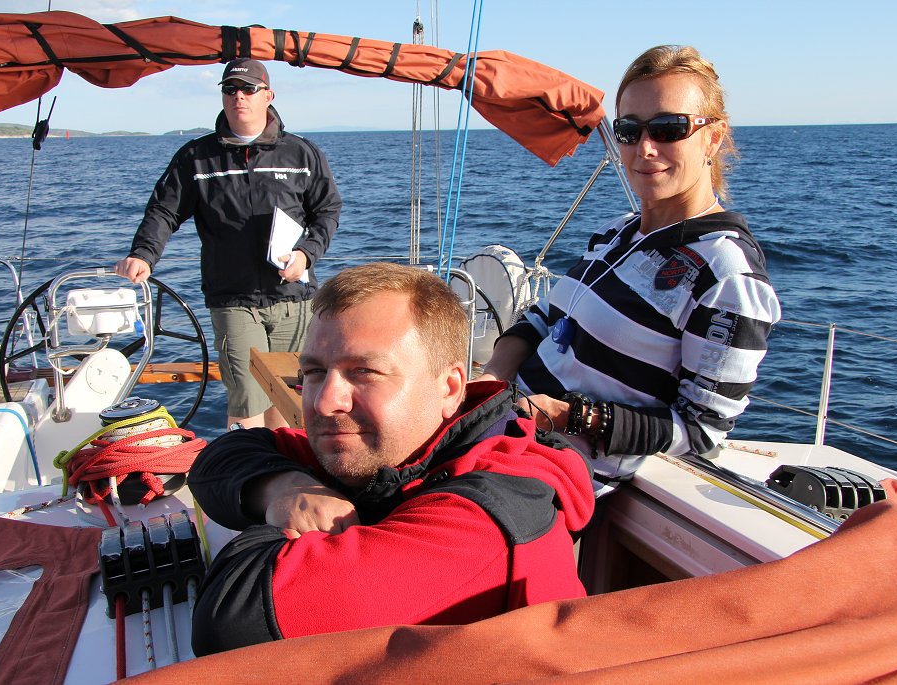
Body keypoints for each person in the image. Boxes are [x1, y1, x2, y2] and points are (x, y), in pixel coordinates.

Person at [187, 262, 594, 655]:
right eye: (313, 373)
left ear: (450, 389)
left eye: (364, 372)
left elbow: (233, 621)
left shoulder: (488, 517)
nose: (326, 402)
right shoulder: (398, 446)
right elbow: (224, 455)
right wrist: (283, 488)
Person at [478, 45, 781, 485]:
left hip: (553, 474)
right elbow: (546, 316)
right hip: (499, 431)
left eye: (669, 128)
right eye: (629, 130)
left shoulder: (727, 274)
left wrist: (567, 415)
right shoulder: (618, 232)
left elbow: (701, 431)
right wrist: (491, 376)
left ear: (713, 138)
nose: (646, 148)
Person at [115, 58, 341, 430]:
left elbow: (327, 209)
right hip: (232, 298)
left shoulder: (302, 154)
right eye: (231, 89)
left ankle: (281, 464)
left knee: (289, 399)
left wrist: (307, 253)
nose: (239, 97)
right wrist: (144, 254)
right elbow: (164, 211)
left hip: (293, 296)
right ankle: (244, 465)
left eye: (249, 89)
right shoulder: (196, 157)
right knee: (247, 395)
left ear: (268, 95)